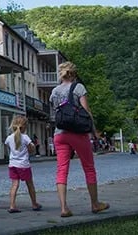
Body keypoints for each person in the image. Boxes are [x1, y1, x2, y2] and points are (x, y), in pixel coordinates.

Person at [49, 62, 108, 218]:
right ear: (74, 74)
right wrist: (94, 132)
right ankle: (95, 204)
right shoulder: (78, 87)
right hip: (77, 133)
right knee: (88, 168)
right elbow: (86, 111)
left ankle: (64, 208)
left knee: (62, 170)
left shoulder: (54, 91)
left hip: (59, 134)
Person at [4, 115, 42, 213]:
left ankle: (12, 205)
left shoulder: (9, 138)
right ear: (24, 127)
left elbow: (7, 146)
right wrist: (32, 148)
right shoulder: (25, 137)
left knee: (14, 185)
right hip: (23, 165)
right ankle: (34, 203)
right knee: (30, 184)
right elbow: (32, 148)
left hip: (12, 164)